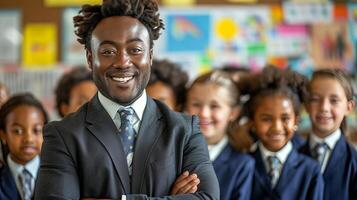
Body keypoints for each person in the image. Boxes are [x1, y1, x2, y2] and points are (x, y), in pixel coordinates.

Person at [34, 0, 219, 199]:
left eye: (135, 50)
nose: (122, 62)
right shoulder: (63, 135)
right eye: (108, 52)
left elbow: (207, 197)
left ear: (150, 56)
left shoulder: (184, 131)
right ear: (89, 58)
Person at [240, 66, 323, 199]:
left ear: (296, 121)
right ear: (252, 122)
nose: (277, 128)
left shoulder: (310, 169)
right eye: (266, 119)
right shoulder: (242, 165)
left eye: (285, 118)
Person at [185, 71, 254, 200]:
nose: (204, 113)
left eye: (214, 106)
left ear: (233, 113)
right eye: (196, 104)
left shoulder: (242, 165)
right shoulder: (174, 154)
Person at [300, 68, 357, 199]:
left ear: (349, 108)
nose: (324, 107)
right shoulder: (291, 155)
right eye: (315, 99)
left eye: (334, 100)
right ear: (307, 105)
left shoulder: (354, 162)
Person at [0, 93, 48, 200]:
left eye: (37, 130)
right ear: (3, 135)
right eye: (18, 131)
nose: (29, 139)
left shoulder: (59, 176)